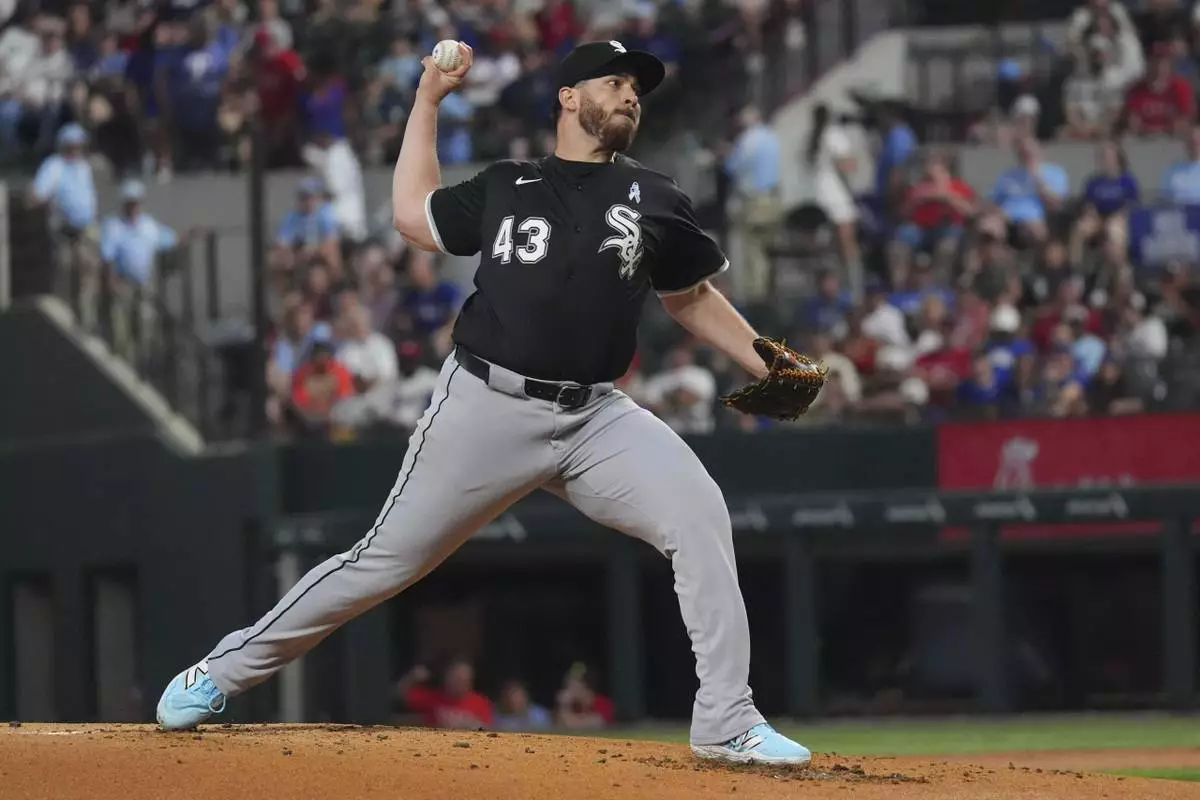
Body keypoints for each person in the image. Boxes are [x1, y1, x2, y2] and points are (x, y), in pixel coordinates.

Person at [155, 39, 812, 766]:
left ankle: (726, 719)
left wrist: (764, 358)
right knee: (381, 562)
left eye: (638, 87)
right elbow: (411, 216)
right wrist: (427, 102)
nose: (631, 95)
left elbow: (689, 296)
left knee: (700, 513)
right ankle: (219, 671)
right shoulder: (507, 184)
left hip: (596, 416)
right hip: (486, 406)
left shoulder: (655, 196)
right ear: (569, 97)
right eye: (615, 81)